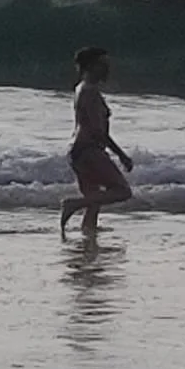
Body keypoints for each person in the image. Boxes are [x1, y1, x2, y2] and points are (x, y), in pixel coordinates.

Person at [59, 46, 133, 234]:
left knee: (95, 201)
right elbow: (98, 131)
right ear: (90, 66)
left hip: (78, 151)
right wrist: (122, 155)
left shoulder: (81, 88)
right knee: (123, 191)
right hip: (89, 150)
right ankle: (73, 204)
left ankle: (88, 236)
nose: (107, 69)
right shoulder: (90, 91)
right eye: (102, 65)